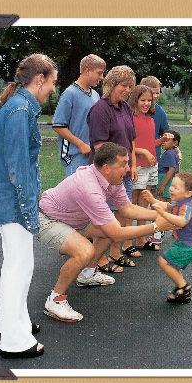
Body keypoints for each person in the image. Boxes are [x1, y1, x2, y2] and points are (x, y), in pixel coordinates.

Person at [35, 143, 176, 322]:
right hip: (48, 220)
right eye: (124, 164)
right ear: (107, 167)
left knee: (108, 230)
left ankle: (87, 274)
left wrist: (161, 215)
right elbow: (117, 233)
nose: (128, 168)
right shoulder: (88, 187)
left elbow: (127, 209)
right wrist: (157, 226)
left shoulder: (111, 180)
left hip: (74, 219)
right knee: (85, 250)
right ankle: (55, 300)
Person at [0, 54, 58, 359]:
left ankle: (17, 325)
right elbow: (17, 167)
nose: (53, 90)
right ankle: (13, 341)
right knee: (18, 267)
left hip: (10, 199)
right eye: (53, 82)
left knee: (18, 265)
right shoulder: (20, 110)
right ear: (40, 78)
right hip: (14, 201)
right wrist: (27, 209)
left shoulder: (18, 106)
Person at [87, 65, 137, 272]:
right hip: (105, 174)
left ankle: (115, 252)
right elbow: (100, 146)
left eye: (130, 87)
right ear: (111, 84)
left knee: (121, 213)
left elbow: (131, 139)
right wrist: (116, 168)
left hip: (123, 172)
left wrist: (131, 165)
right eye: (124, 86)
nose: (127, 90)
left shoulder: (125, 107)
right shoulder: (100, 109)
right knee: (102, 218)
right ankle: (98, 259)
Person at [126, 84, 172, 255]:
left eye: (149, 100)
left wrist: (161, 141)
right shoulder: (131, 119)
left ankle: (141, 238)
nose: (146, 103)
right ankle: (128, 241)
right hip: (138, 166)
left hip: (152, 165)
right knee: (133, 202)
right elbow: (130, 145)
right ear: (135, 100)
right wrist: (142, 153)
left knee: (144, 201)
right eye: (142, 100)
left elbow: (149, 143)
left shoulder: (151, 120)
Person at [142, 172, 192, 304]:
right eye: (172, 186)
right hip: (185, 244)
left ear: (188, 194)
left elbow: (181, 221)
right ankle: (182, 289)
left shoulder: (186, 207)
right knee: (169, 263)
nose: (171, 189)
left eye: (176, 187)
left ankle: (183, 286)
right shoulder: (179, 202)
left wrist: (163, 214)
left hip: (188, 246)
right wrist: (152, 200)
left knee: (163, 261)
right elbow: (165, 206)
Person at [52, 54, 106, 176]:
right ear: (87, 70)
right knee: (76, 194)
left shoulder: (95, 95)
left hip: (93, 156)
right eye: (99, 73)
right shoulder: (70, 93)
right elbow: (58, 125)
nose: (101, 77)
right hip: (76, 155)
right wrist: (81, 145)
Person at [140, 76, 169, 244]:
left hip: (152, 162)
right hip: (136, 162)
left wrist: (176, 149)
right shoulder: (133, 110)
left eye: (158, 93)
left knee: (148, 196)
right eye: (153, 93)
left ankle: (150, 232)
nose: (155, 97)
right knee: (133, 198)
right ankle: (132, 233)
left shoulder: (160, 112)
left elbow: (166, 134)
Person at [155, 130, 181, 202]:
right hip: (165, 179)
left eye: (166, 140)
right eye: (162, 140)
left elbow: (171, 170)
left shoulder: (170, 153)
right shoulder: (171, 152)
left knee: (160, 202)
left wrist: (162, 185)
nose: (163, 142)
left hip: (165, 179)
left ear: (175, 142)